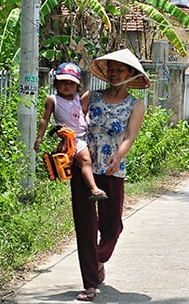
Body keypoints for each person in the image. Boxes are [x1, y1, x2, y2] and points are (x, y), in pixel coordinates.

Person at [71, 49, 150, 302]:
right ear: (105, 73)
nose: (115, 74)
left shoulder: (135, 105)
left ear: (131, 74)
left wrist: (118, 156)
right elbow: (72, 122)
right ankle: (90, 283)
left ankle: (98, 259)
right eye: (111, 69)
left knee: (112, 227)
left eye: (120, 70)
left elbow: (129, 137)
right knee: (86, 227)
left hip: (113, 170)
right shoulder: (90, 97)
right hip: (83, 168)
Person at [35, 62, 108, 201]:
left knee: (86, 162)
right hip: (71, 139)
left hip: (84, 137)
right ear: (56, 82)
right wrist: (40, 137)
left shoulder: (77, 98)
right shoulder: (53, 100)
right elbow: (44, 118)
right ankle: (94, 188)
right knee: (86, 161)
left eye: (71, 83)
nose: (66, 86)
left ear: (77, 85)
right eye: (63, 82)